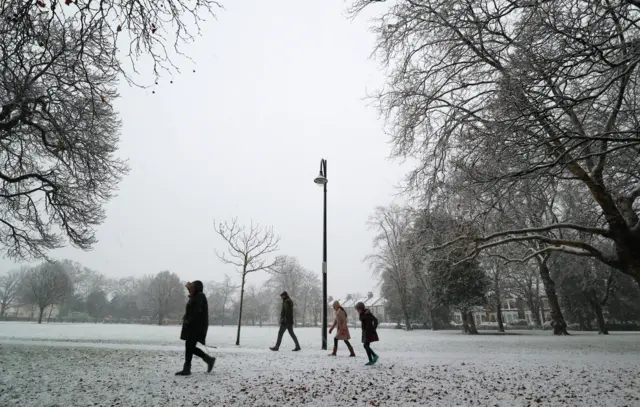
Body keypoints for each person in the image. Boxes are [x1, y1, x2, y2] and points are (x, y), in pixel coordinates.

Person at [176, 280, 215, 376]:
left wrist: (189, 320)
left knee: (189, 347)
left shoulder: (200, 296)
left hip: (196, 327)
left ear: (196, 288)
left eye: (192, 287)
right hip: (193, 326)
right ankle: (208, 360)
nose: (189, 290)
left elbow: (197, 311)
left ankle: (188, 368)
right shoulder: (196, 296)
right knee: (190, 347)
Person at [355, 301, 379, 365]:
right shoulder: (363, 314)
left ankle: (374, 356)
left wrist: (374, 328)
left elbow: (375, 320)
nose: (357, 311)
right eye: (357, 309)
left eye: (358, 309)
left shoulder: (367, 314)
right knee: (366, 346)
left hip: (368, 332)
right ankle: (371, 360)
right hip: (365, 331)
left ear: (361, 308)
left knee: (365, 345)